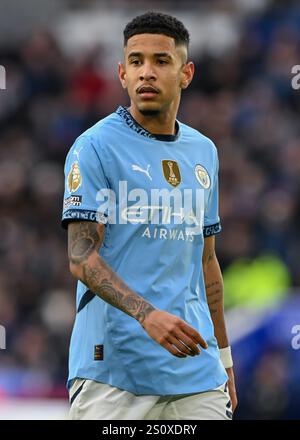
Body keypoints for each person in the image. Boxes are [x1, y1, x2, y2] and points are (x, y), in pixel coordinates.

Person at [62, 11, 237, 420]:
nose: (147, 73)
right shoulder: (94, 147)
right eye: (136, 62)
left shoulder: (204, 152)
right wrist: (148, 316)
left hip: (197, 373)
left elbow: (207, 261)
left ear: (186, 73)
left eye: (161, 61)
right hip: (114, 373)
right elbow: (81, 258)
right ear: (121, 73)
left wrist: (224, 358)